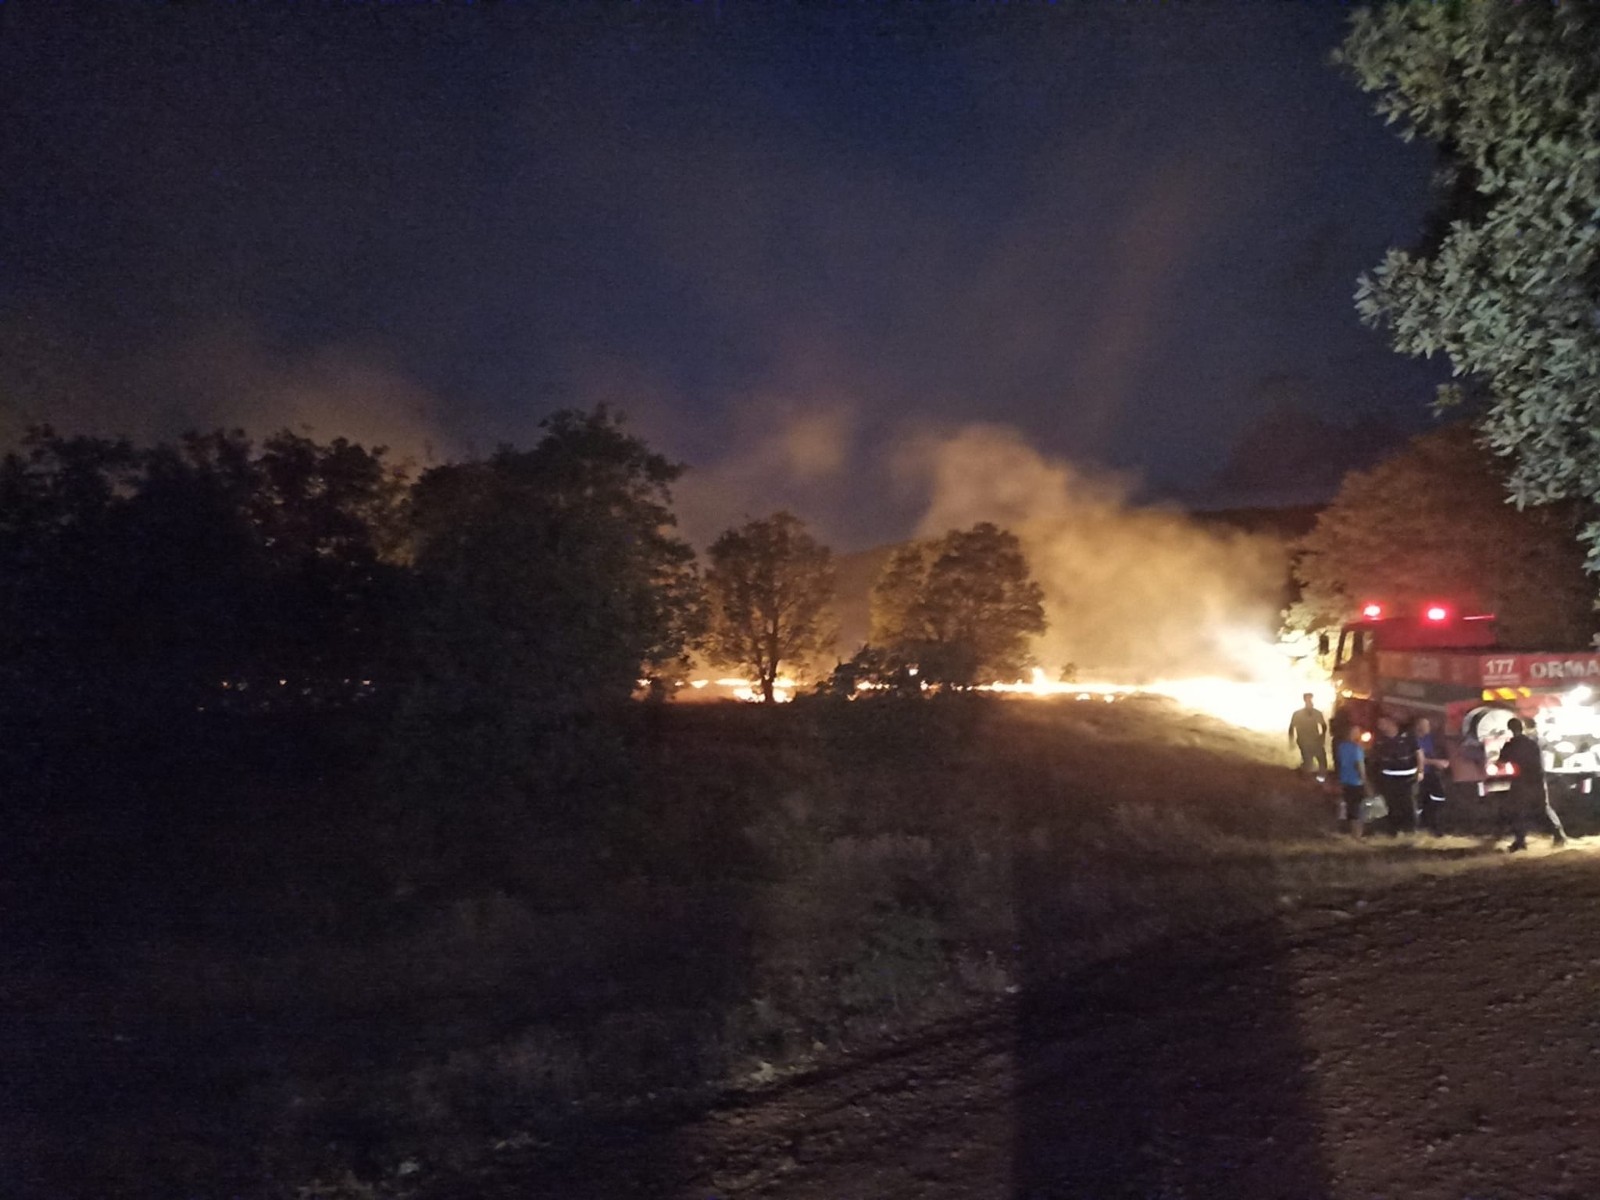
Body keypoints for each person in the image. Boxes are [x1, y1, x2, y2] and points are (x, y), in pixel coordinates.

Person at [1496, 716, 1567, 852]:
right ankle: (1559, 836)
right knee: (1543, 808)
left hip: (1521, 781)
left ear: (1510, 729)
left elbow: (1501, 760)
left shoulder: (1511, 744)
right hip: (1537, 779)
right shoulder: (1532, 743)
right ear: (1522, 728)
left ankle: (1520, 841)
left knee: (1517, 811)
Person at [1371, 715, 1422, 835]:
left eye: (1382, 723)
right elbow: (1375, 757)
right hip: (1388, 777)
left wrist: (1420, 770)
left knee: (1407, 803)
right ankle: (1394, 831)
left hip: (1407, 777)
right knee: (1392, 804)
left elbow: (1419, 753)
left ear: (1391, 723)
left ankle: (1410, 830)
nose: (1380, 726)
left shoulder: (1408, 736)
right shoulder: (1380, 739)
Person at [1414, 717, 1450, 837]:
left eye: (1428, 725)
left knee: (1438, 798)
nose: (1427, 728)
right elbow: (1418, 759)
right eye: (1424, 725)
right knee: (1420, 801)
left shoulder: (1431, 739)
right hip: (1420, 774)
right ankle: (1420, 826)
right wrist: (1436, 762)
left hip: (1432, 773)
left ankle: (1433, 825)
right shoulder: (1415, 740)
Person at [1335, 723, 1371, 835]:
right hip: (1356, 782)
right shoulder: (1357, 748)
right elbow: (1359, 766)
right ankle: (1358, 834)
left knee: (1349, 806)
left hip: (1345, 780)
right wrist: (1366, 783)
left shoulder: (1341, 746)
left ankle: (1348, 831)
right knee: (1358, 808)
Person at [1288, 693, 1329, 779]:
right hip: (1306, 741)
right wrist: (1291, 741)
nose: (1310, 702)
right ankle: (1310, 779)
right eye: (1308, 700)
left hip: (1313, 741)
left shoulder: (1315, 713)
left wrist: (1322, 737)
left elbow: (1324, 726)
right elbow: (1291, 728)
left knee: (1320, 761)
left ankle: (1316, 778)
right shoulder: (1298, 714)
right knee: (1310, 761)